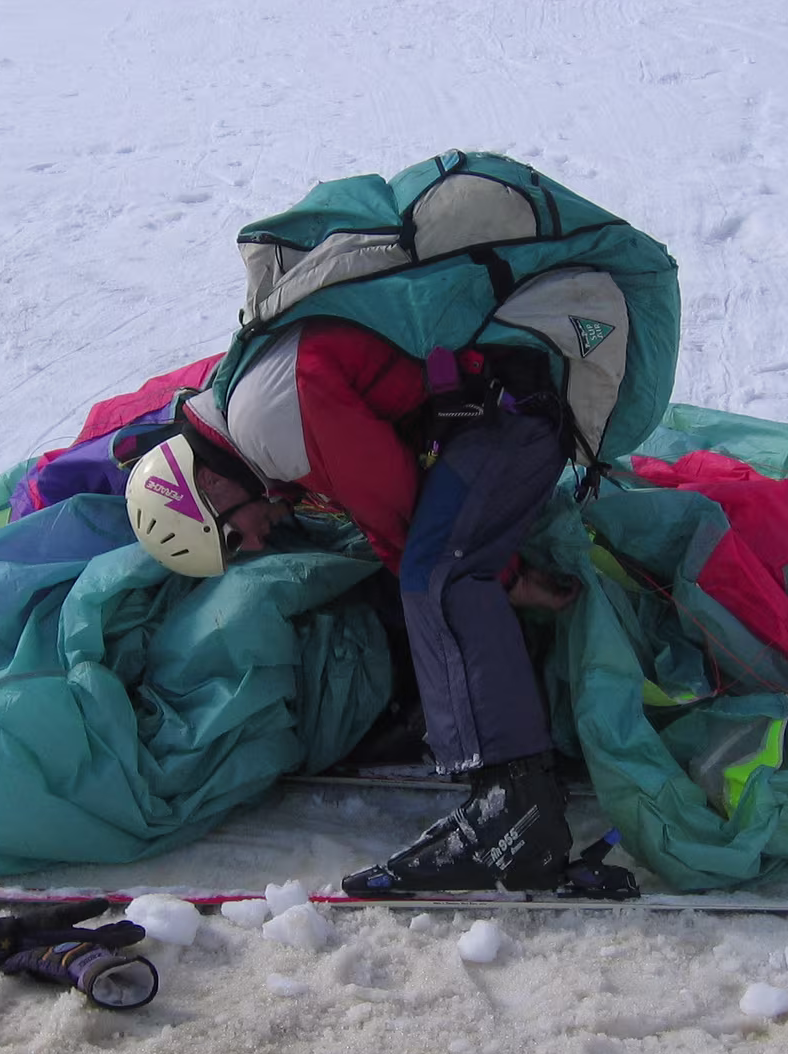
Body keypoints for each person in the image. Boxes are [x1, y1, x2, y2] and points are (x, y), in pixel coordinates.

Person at [124, 318, 581, 896]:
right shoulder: (257, 419)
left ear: (211, 484)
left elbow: (397, 508)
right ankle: (511, 787)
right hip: (489, 416)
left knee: (435, 574)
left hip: (504, 419)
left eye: (233, 536)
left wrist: (508, 579)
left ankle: (516, 805)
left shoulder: (266, 421)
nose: (256, 544)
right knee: (428, 569)